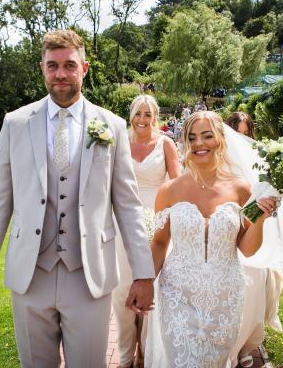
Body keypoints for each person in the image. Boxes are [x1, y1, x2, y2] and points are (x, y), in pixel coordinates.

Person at [0, 29, 155, 368]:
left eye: (69, 65)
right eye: (52, 66)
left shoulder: (110, 126)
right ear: (42, 68)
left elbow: (128, 205)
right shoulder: (16, 123)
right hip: (30, 275)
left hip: (88, 275)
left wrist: (143, 273)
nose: (60, 74)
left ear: (84, 68)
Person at [145, 111, 277, 368]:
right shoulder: (168, 191)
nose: (198, 144)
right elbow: (159, 243)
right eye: (192, 138)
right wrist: (145, 281)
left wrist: (260, 219)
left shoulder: (241, 189)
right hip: (177, 295)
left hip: (225, 298)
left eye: (207, 136)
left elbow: (247, 249)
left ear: (221, 140)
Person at [113, 94, 181, 368]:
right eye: (137, 114)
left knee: (153, 287)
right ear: (131, 116)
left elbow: (177, 183)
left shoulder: (166, 143)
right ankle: (126, 355)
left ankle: (148, 354)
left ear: (155, 118)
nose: (142, 120)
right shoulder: (119, 142)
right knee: (121, 290)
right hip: (122, 222)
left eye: (147, 114)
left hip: (158, 222)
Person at [225, 111, 282, 368]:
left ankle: (246, 344)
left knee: (255, 281)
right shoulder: (221, 161)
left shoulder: (260, 160)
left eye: (246, 133)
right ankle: (229, 345)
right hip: (226, 227)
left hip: (253, 226)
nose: (242, 138)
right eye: (236, 132)